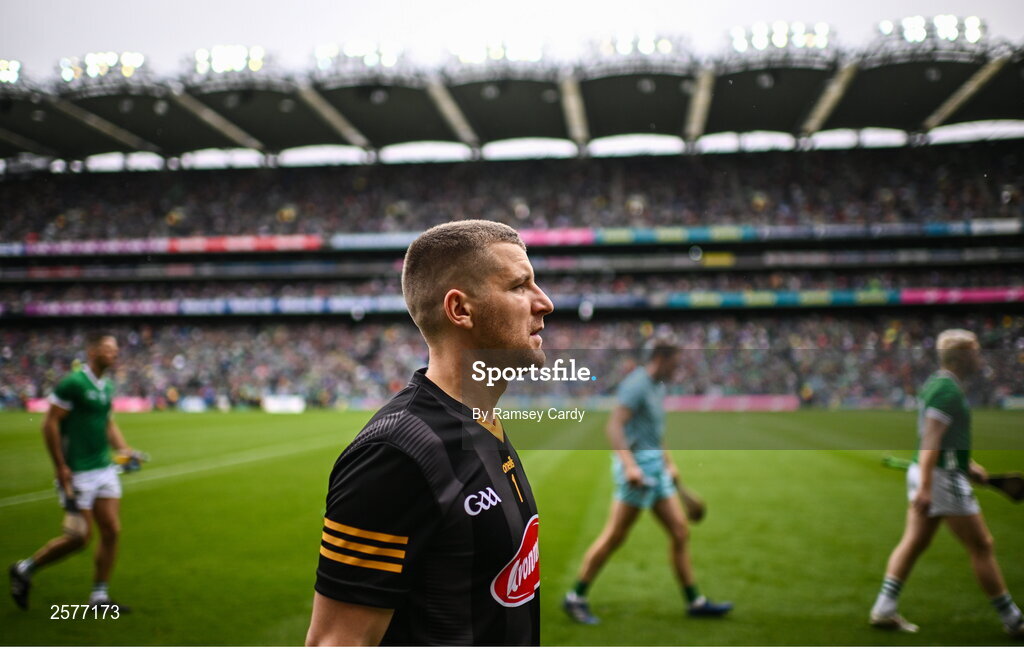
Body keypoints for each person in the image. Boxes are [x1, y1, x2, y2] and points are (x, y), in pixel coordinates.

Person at [305, 220, 554, 646]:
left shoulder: (480, 420)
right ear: (460, 310)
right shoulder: (397, 453)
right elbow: (337, 641)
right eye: (519, 286)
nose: (545, 303)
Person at [563, 341, 733, 625]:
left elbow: (655, 433)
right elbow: (614, 426)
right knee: (615, 536)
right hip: (638, 475)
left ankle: (695, 602)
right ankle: (575, 597)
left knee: (680, 531)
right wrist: (629, 466)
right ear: (660, 359)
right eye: (675, 365)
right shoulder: (637, 385)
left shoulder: (658, 386)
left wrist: (670, 463)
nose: (678, 371)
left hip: (656, 471)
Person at [869, 329, 1023, 636]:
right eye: (975, 352)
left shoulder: (940, 385)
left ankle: (884, 608)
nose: (980, 357)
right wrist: (927, 486)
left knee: (915, 542)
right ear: (961, 357)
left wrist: (969, 465)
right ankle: (1014, 620)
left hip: (936, 472)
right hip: (939, 478)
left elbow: (944, 439)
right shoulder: (947, 391)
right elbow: (931, 440)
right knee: (981, 545)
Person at [9, 332, 133, 611]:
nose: (113, 353)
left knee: (112, 530)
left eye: (115, 349)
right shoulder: (74, 383)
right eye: (106, 349)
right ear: (92, 352)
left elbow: (107, 422)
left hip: (104, 468)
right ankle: (25, 568)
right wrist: (60, 467)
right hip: (78, 471)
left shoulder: (107, 386)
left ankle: (99, 597)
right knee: (79, 538)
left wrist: (125, 451)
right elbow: (49, 424)